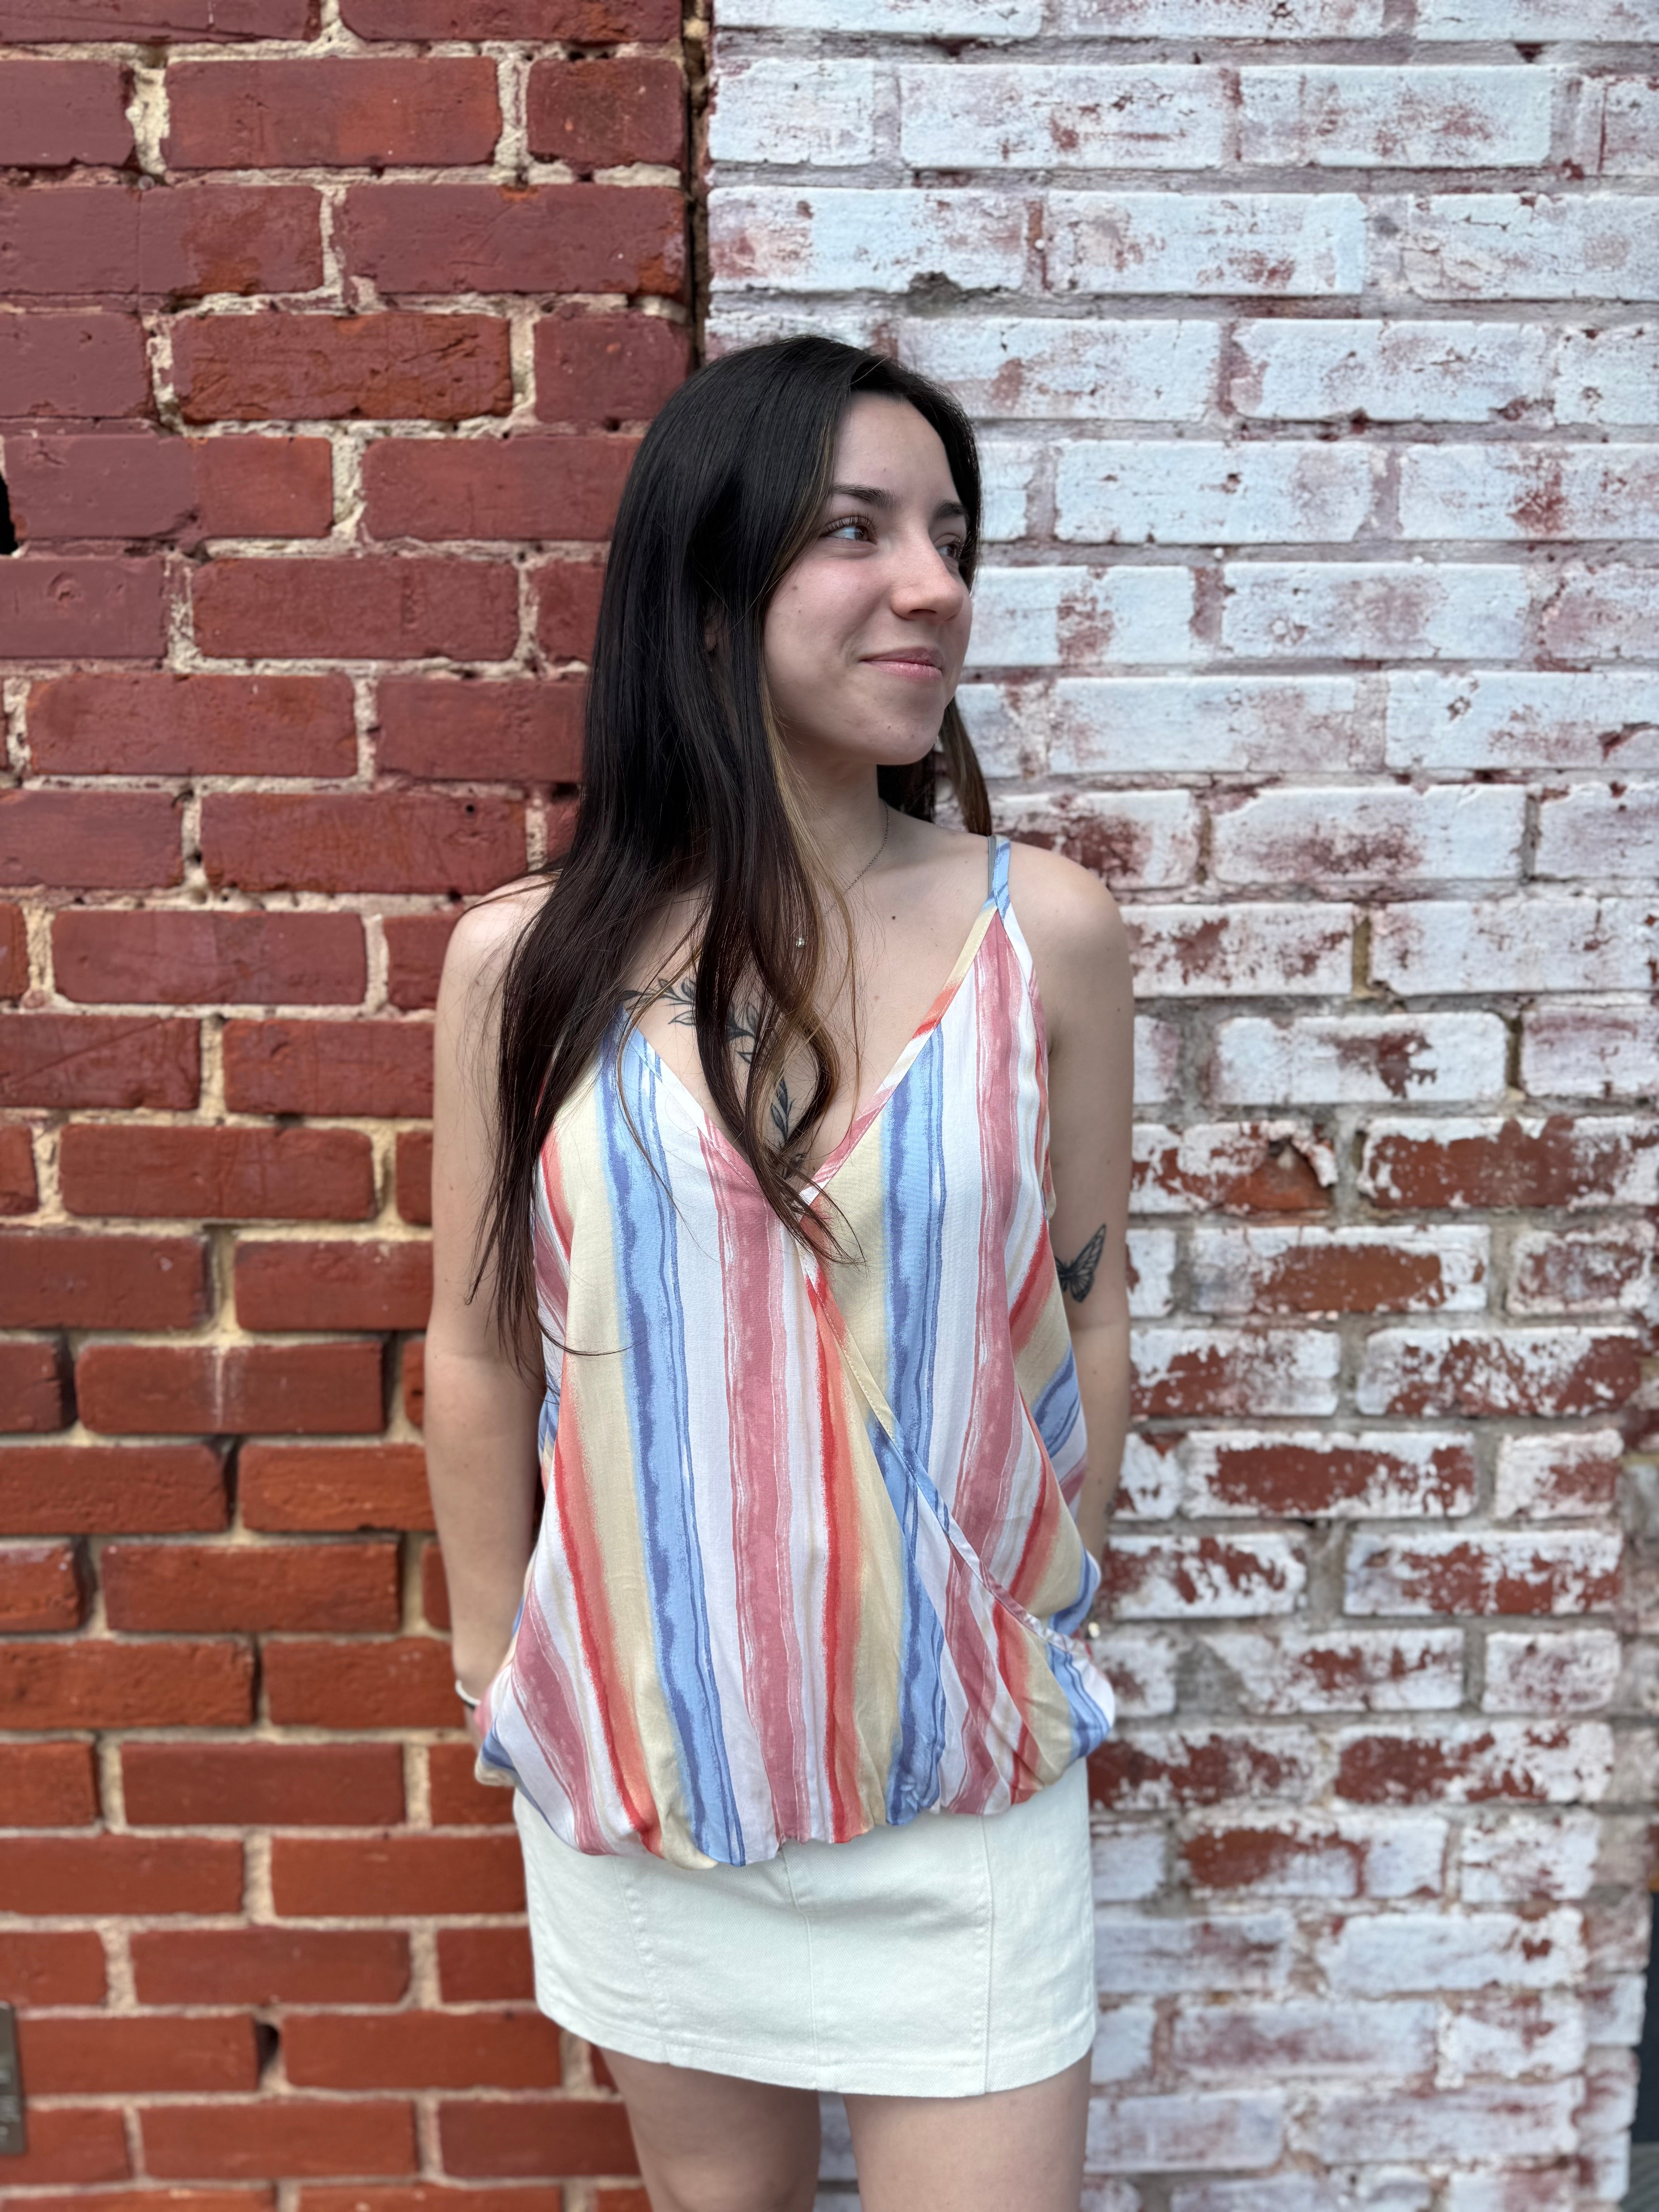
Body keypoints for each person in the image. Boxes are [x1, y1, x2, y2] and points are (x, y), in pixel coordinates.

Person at [424, 335, 1135, 2212]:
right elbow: (480, 1348)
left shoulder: (1044, 936)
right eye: (856, 530)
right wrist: (499, 1667)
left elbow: (1089, 1300)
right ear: (708, 590)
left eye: (951, 537)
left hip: (962, 1779)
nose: (935, 586)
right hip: (651, 1775)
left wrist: (1037, 1608)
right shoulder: (525, 968)